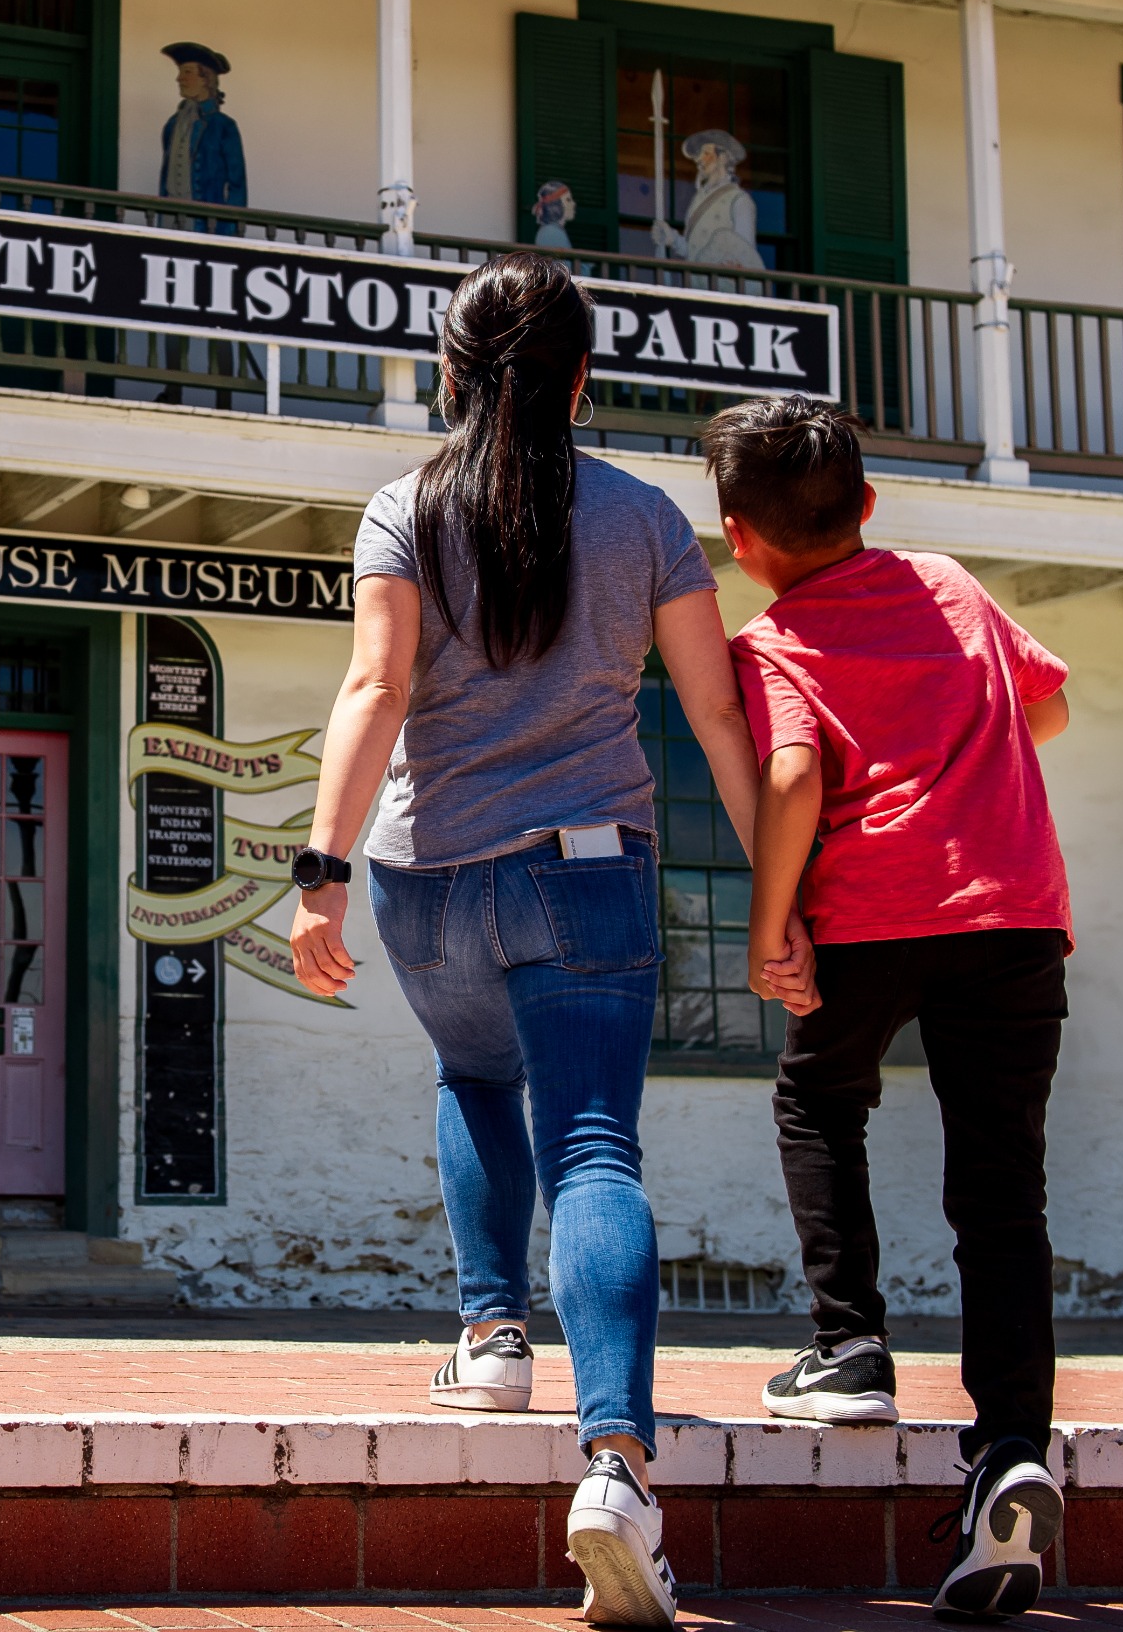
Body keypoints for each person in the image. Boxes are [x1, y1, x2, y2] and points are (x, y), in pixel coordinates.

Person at [288, 252, 792, 1628]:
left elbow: (374, 685)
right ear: (582, 378)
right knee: (593, 1146)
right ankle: (617, 1467)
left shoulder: (402, 508)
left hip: (426, 878)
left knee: (471, 1079)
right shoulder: (643, 520)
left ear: (453, 372)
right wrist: (775, 893)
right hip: (587, 874)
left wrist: (318, 875)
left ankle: (494, 1338)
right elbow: (713, 717)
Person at [701, 394, 1075, 1624]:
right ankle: (1013, 1447)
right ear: (866, 503)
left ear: (737, 536)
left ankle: (851, 1346)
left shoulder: (773, 641)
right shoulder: (947, 580)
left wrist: (770, 932)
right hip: (1014, 917)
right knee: (1001, 1189)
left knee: (820, 1098)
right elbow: (1049, 704)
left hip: (872, 917)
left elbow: (796, 775)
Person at [651, 129, 760, 274]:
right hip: (696, 281)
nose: (699, 159)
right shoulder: (698, 200)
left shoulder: (739, 201)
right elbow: (693, 251)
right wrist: (673, 239)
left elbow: (744, 253)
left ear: (723, 158)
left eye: (706, 153)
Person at [157, 41, 247, 210]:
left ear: (205, 79)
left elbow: (237, 184)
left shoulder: (224, 126)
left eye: (187, 72)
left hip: (206, 221)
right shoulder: (172, 124)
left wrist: (231, 226)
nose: (179, 78)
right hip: (171, 215)